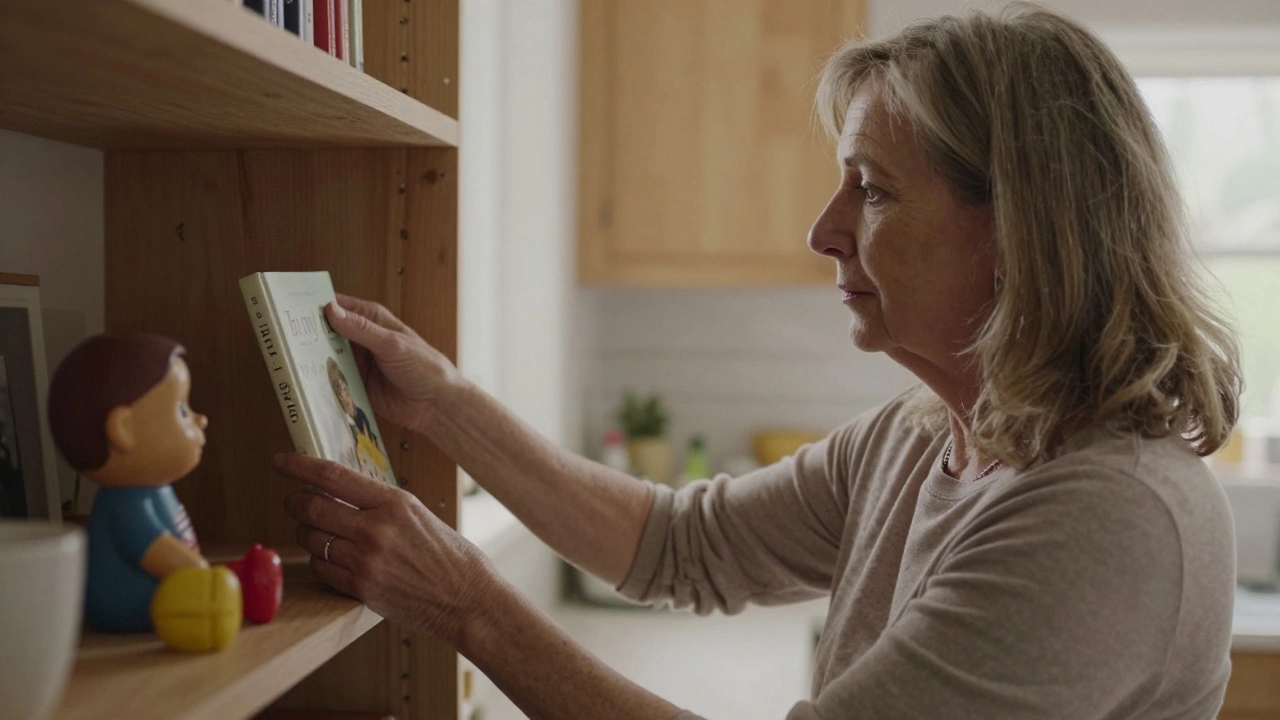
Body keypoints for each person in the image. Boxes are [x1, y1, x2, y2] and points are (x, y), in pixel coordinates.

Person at [277, 5, 1242, 718]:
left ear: (1021, 232)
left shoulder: (1110, 514)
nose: (823, 231)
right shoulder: (918, 438)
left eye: (872, 190)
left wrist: (467, 607)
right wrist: (446, 407)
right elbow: (677, 546)